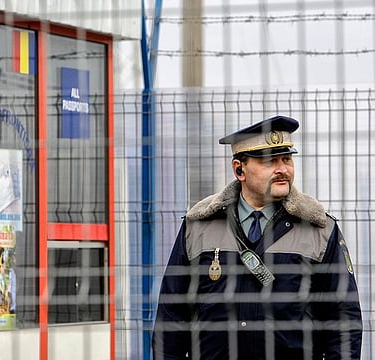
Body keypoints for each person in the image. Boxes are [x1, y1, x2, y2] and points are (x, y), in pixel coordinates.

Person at [152, 115, 362, 359]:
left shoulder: (320, 230)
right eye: (270, 161)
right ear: (239, 169)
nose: (282, 169)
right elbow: (171, 318)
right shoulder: (198, 226)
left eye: (286, 159)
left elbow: (344, 319)